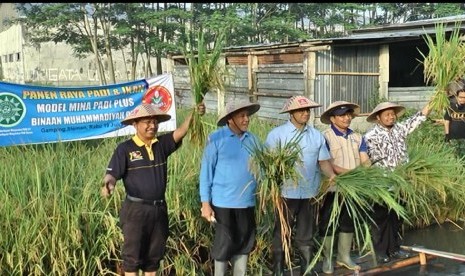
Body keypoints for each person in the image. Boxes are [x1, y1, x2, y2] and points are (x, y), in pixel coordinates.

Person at [101, 102, 205, 276]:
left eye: (155, 121)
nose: (152, 125)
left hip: (159, 210)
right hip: (135, 211)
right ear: (135, 124)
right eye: (147, 122)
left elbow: (181, 132)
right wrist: (108, 184)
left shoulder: (161, 145)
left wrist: (195, 113)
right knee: (131, 260)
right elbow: (111, 174)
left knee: (153, 260)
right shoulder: (125, 149)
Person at [265, 95, 336, 276]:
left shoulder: (316, 136)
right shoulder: (277, 135)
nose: (306, 113)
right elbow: (268, 165)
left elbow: (324, 162)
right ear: (291, 113)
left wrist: (332, 176)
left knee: (306, 235)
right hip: (285, 193)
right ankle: (278, 271)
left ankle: (307, 270)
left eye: (308, 110)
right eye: (301, 110)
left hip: (309, 194)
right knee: (282, 233)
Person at [364, 101, 431, 264]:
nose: (390, 117)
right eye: (386, 114)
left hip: (401, 182)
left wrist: (434, 101)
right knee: (381, 218)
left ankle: (395, 249)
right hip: (382, 184)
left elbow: (418, 118)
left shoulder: (399, 129)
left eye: (392, 114)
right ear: (378, 118)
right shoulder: (370, 136)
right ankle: (381, 252)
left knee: (396, 217)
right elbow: (368, 161)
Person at [199, 100, 261, 276]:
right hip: (223, 203)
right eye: (241, 115)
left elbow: (264, 168)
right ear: (230, 119)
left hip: (247, 202)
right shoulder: (216, 138)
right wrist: (205, 203)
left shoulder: (254, 140)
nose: (246, 119)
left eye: (247, 115)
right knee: (224, 245)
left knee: (244, 244)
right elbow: (206, 173)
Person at [318, 101, 371, 274]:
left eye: (349, 115)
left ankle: (344, 256)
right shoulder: (325, 137)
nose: (347, 118)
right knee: (328, 222)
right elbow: (328, 163)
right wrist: (352, 174)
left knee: (348, 222)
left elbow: (364, 159)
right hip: (332, 187)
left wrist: (368, 172)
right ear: (332, 119)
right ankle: (327, 259)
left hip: (353, 189)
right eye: (342, 115)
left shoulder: (358, 137)